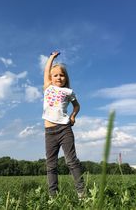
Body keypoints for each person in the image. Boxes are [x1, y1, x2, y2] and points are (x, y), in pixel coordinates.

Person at [42, 51, 84, 198]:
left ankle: (81, 193)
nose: (59, 77)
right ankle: (53, 196)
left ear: (66, 78)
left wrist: (73, 116)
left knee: (71, 161)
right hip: (49, 132)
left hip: (64, 129)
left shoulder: (68, 91)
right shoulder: (48, 87)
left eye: (62, 75)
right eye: (56, 75)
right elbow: (47, 70)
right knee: (51, 165)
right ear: (50, 78)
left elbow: (77, 106)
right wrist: (52, 58)